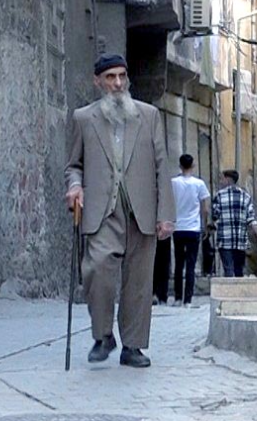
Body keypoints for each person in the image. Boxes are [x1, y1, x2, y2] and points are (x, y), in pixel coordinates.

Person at [64, 54, 174, 369]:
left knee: (139, 282)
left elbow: (161, 166)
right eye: (110, 77)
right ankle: (103, 335)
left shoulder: (149, 115)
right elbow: (74, 165)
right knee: (96, 269)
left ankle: (133, 347)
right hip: (101, 210)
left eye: (122, 76)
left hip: (142, 209)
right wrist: (74, 187)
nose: (117, 83)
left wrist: (165, 214)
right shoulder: (83, 118)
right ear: (97, 81)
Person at [168, 154, 210, 306]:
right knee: (191, 265)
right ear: (193, 166)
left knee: (179, 264)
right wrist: (204, 225)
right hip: (193, 228)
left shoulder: (173, 183)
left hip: (178, 227)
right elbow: (205, 208)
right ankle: (188, 300)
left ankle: (178, 298)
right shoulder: (199, 184)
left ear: (180, 166)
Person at [211, 169, 257, 277]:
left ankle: (228, 292)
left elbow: (215, 216)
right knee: (239, 269)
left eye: (222, 179)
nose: (220, 181)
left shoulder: (219, 196)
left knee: (228, 269)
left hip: (224, 240)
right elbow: (251, 220)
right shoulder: (246, 197)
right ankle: (238, 292)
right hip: (241, 240)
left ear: (228, 180)